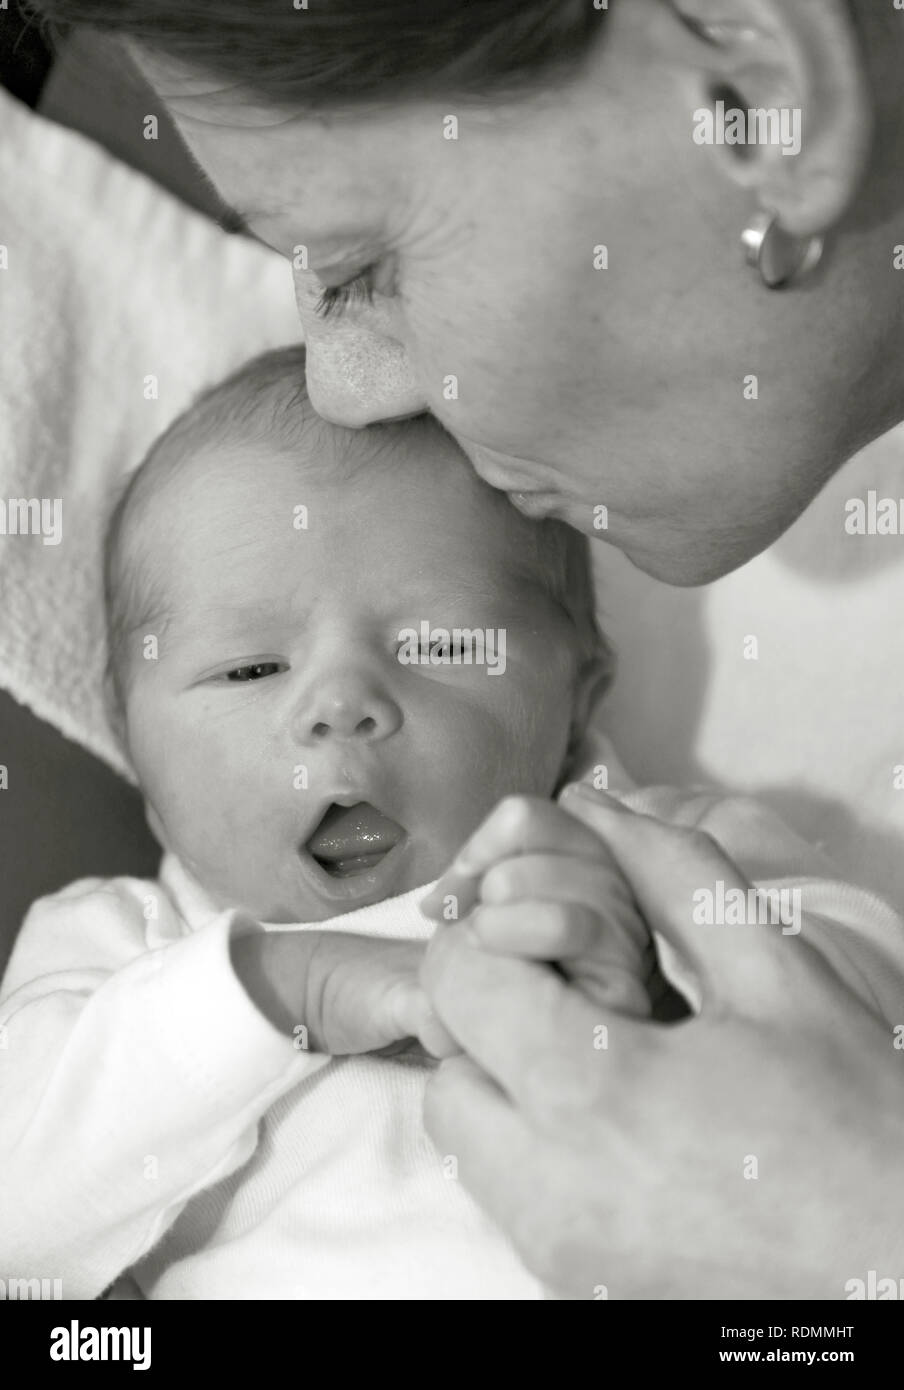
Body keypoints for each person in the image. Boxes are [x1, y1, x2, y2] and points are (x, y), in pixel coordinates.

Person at [25, 0, 904, 1296]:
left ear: (579, 694)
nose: (334, 708)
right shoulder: (129, 959)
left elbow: (855, 1023)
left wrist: (658, 987)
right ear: (132, 746)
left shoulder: (680, 863)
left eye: (356, 259)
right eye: (247, 670)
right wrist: (261, 995)